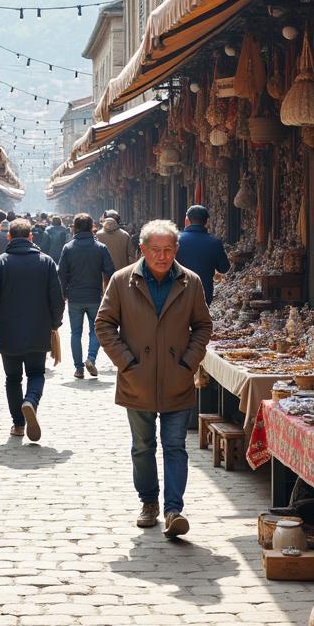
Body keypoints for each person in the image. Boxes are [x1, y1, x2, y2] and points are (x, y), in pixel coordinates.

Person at [95, 219, 212, 539]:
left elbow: (203, 325)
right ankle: (148, 503)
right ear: (143, 249)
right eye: (155, 250)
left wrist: (188, 362)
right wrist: (126, 363)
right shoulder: (122, 281)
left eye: (168, 250)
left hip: (177, 378)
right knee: (143, 447)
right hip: (138, 379)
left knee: (175, 446)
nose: (162, 256)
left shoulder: (191, 282)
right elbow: (104, 324)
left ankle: (174, 509)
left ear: (176, 249)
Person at [0, 218, 64, 441]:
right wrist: (55, 324)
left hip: (8, 331)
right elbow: (57, 299)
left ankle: (18, 424)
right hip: (38, 328)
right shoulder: (46, 262)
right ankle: (31, 402)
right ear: (31, 237)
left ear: (9, 237)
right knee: (37, 373)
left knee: (12, 378)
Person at [57, 213, 114, 379]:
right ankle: (91, 358)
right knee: (95, 330)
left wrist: (64, 294)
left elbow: (62, 274)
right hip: (95, 296)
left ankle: (79, 368)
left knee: (75, 332)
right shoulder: (100, 248)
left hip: (74, 297)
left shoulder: (68, 248)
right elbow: (111, 272)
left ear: (74, 228)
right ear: (92, 227)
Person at [176, 205, 231, 306]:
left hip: (179, 293)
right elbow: (224, 268)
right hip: (204, 294)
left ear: (187, 220)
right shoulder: (215, 242)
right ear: (206, 221)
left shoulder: (176, 240)